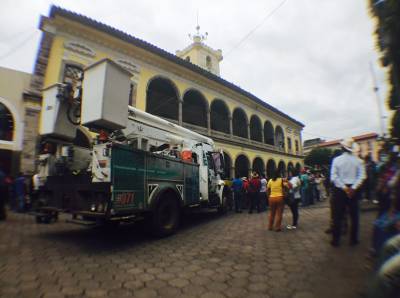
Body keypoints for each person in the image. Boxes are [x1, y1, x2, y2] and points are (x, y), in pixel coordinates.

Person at [330, 138, 366, 247]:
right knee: (354, 216)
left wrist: (344, 188)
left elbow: (334, 177)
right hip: (354, 191)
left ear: (342, 148)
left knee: (337, 216)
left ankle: (336, 240)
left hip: (340, 190)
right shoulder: (359, 160)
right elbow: (362, 176)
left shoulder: (336, 160)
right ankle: (353, 239)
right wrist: (353, 188)